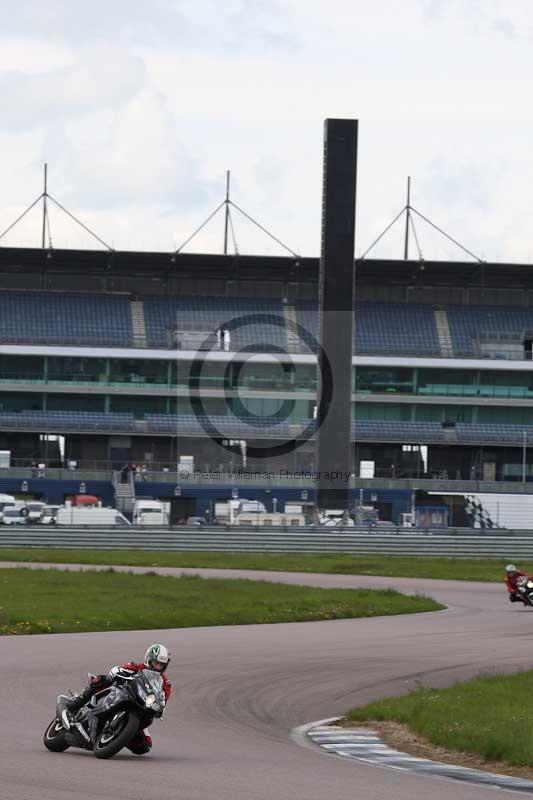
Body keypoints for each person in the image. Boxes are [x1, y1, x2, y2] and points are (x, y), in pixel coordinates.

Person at [65, 643, 171, 754]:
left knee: (145, 746)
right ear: (149, 659)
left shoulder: (165, 683)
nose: (158, 667)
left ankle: (118, 737)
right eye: (156, 663)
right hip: (124, 694)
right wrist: (117, 674)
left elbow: (163, 699)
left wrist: (160, 708)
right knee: (101, 680)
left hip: (141, 708)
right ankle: (76, 703)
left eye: (161, 665)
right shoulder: (137, 667)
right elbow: (117, 670)